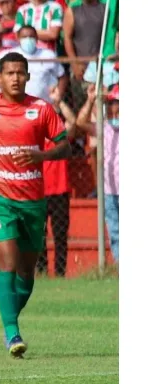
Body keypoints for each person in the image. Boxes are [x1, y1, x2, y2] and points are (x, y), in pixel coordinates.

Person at [0, 52, 71, 358]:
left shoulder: (41, 109)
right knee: (7, 262)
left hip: (33, 202)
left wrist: (43, 156)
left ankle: (9, 316)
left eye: (21, 72)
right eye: (9, 72)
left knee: (26, 272)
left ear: (28, 76)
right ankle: (12, 333)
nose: (15, 77)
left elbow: (66, 146)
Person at [37, 86, 76, 277]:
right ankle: (41, 271)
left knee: (60, 236)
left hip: (59, 190)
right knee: (39, 236)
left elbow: (73, 121)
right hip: (39, 192)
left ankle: (60, 272)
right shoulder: (34, 136)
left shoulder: (61, 135)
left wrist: (59, 101)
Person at [77, 84, 119, 262]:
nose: (112, 107)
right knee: (115, 232)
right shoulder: (104, 127)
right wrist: (91, 99)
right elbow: (80, 122)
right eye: (109, 103)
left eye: (115, 102)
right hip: (110, 190)